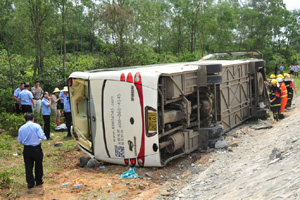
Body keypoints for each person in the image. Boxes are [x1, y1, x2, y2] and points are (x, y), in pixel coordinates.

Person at [18, 113, 46, 189]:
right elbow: (42, 137)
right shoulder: (37, 126)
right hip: (36, 148)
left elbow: (19, 141)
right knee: (38, 164)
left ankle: (30, 183)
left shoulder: (21, 128)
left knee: (28, 166)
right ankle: (39, 180)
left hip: (26, 149)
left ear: (25, 120)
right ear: (33, 119)